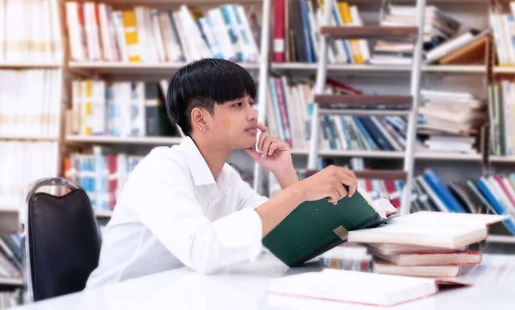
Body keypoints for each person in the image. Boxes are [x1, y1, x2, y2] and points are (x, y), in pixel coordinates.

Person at [86, 58, 358, 288]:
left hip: (178, 294)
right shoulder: (160, 168)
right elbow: (203, 251)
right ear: (201, 119)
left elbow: (291, 239)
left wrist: (285, 174)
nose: (253, 115)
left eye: (251, 103)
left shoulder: (226, 177)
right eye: (238, 105)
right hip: (119, 299)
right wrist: (301, 191)